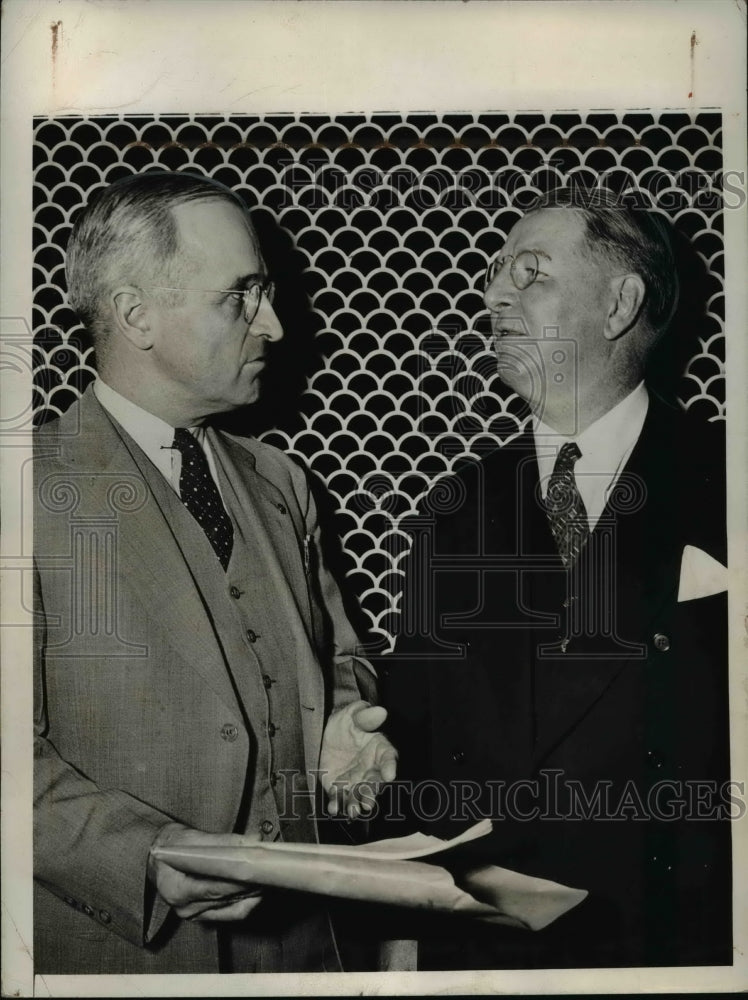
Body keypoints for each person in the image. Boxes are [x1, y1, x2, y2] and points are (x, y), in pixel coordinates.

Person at [33, 170, 397, 975]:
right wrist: (144, 858)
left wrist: (346, 720)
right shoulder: (23, 490)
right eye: (242, 295)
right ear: (136, 315)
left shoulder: (282, 481)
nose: (273, 323)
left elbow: (341, 660)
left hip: (313, 956)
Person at [383, 187, 731, 968]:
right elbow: (418, 745)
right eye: (497, 269)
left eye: (529, 273)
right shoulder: (455, 507)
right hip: (481, 954)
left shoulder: (729, 479)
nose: (492, 291)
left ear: (618, 305)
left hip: (680, 947)